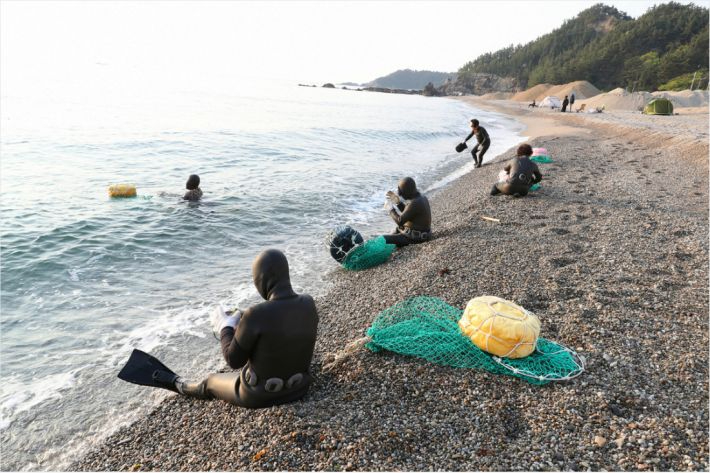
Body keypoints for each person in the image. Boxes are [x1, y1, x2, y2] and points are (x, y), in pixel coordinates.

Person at [119, 249, 319, 408]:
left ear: (262, 280)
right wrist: (245, 326)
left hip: (258, 395)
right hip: (301, 387)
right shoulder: (308, 303)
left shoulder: (255, 314)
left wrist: (226, 327)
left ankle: (178, 384)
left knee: (211, 381)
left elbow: (233, 360)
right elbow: (281, 335)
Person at [383, 177, 431, 247]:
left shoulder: (415, 203)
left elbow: (400, 221)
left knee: (383, 239)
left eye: (401, 192)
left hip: (414, 238)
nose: (400, 195)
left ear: (406, 192)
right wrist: (398, 202)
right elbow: (409, 213)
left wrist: (390, 210)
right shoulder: (420, 197)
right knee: (392, 234)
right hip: (419, 234)